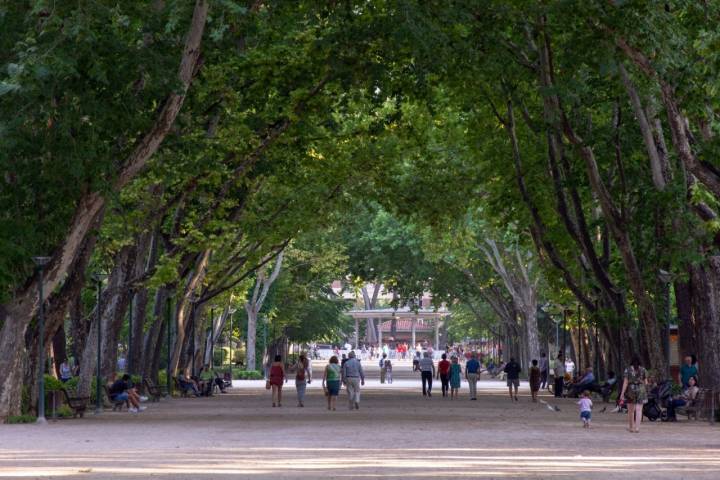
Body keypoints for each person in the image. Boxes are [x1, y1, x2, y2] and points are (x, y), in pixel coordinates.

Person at [619, 356, 647, 433]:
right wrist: (645, 389)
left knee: (631, 411)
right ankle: (637, 428)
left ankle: (631, 427)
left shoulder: (627, 370)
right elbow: (646, 382)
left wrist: (622, 393)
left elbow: (625, 382)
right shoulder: (643, 369)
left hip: (630, 390)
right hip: (641, 390)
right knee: (639, 410)